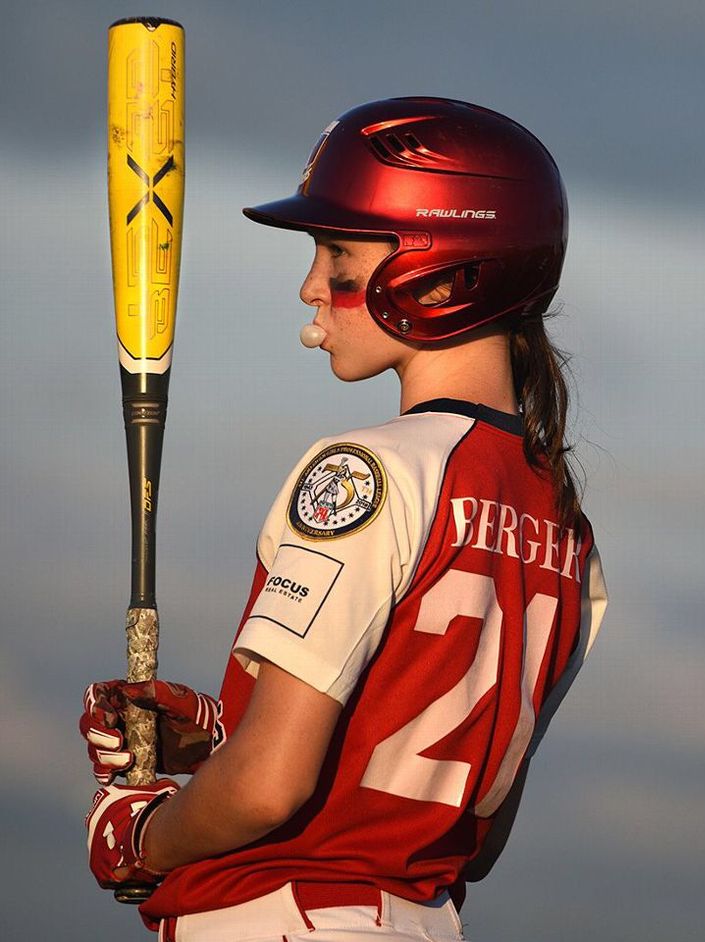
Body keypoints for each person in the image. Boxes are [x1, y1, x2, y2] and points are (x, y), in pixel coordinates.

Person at [81, 97, 608, 942]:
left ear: (443, 276)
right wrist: (228, 738)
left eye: (338, 252)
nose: (311, 287)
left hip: (281, 919)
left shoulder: (365, 470)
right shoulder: (568, 528)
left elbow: (265, 790)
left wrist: (142, 836)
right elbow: (473, 834)